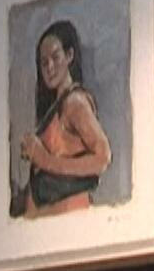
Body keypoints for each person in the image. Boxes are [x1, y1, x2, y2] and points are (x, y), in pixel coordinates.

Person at [12, 20, 113, 217]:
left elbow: (103, 158)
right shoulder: (57, 105)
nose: (49, 66)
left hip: (69, 213)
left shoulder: (75, 103)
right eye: (43, 62)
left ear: (69, 56)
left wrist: (45, 160)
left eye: (55, 57)